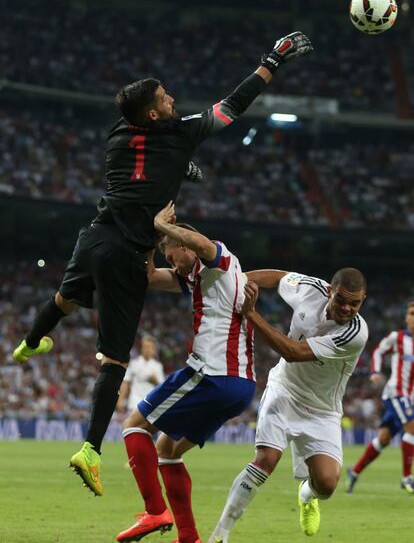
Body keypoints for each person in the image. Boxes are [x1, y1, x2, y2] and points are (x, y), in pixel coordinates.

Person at [11, 31, 313, 496]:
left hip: (91, 237)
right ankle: (90, 450)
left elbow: (147, 166)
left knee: (66, 299)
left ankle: (30, 341)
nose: (173, 100)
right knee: (113, 359)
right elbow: (232, 106)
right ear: (154, 114)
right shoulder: (178, 135)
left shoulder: (118, 136)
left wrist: (180, 170)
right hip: (127, 256)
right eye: (165, 98)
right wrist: (273, 59)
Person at [116, 201, 256, 543]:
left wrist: (162, 226)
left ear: (184, 245)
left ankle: (154, 511)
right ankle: (189, 537)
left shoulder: (219, 259)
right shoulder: (198, 277)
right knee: (168, 450)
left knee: (133, 425)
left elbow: (203, 245)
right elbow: (149, 277)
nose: (170, 262)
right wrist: (153, 239)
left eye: (170, 254)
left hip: (210, 373)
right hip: (241, 386)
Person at [209, 268, 368, 542]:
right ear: (330, 290)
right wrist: (236, 282)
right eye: (341, 299)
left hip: (323, 410)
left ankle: (307, 493)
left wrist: (251, 314)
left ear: (362, 300)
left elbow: (293, 352)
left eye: (354, 303)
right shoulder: (310, 289)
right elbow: (277, 277)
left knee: (327, 485)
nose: (346, 307)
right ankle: (220, 535)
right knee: (266, 459)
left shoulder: (355, 334)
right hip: (285, 389)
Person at [347, 300, 414, 495]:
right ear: (405, 317)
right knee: (412, 428)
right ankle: (406, 478)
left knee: (383, 439)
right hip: (396, 393)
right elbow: (378, 351)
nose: (413, 317)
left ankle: (355, 471)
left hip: (409, 397)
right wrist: (375, 371)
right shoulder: (398, 338)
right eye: (410, 313)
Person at [117, 336, 165, 415]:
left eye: (150, 347)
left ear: (154, 350)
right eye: (145, 347)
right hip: (134, 403)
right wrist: (121, 400)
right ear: (141, 348)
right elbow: (126, 382)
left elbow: (162, 387)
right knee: (131, 427)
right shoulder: (134, 363)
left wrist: (155, 381)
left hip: (150, 405)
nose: (147, 349)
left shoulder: (158, 366)